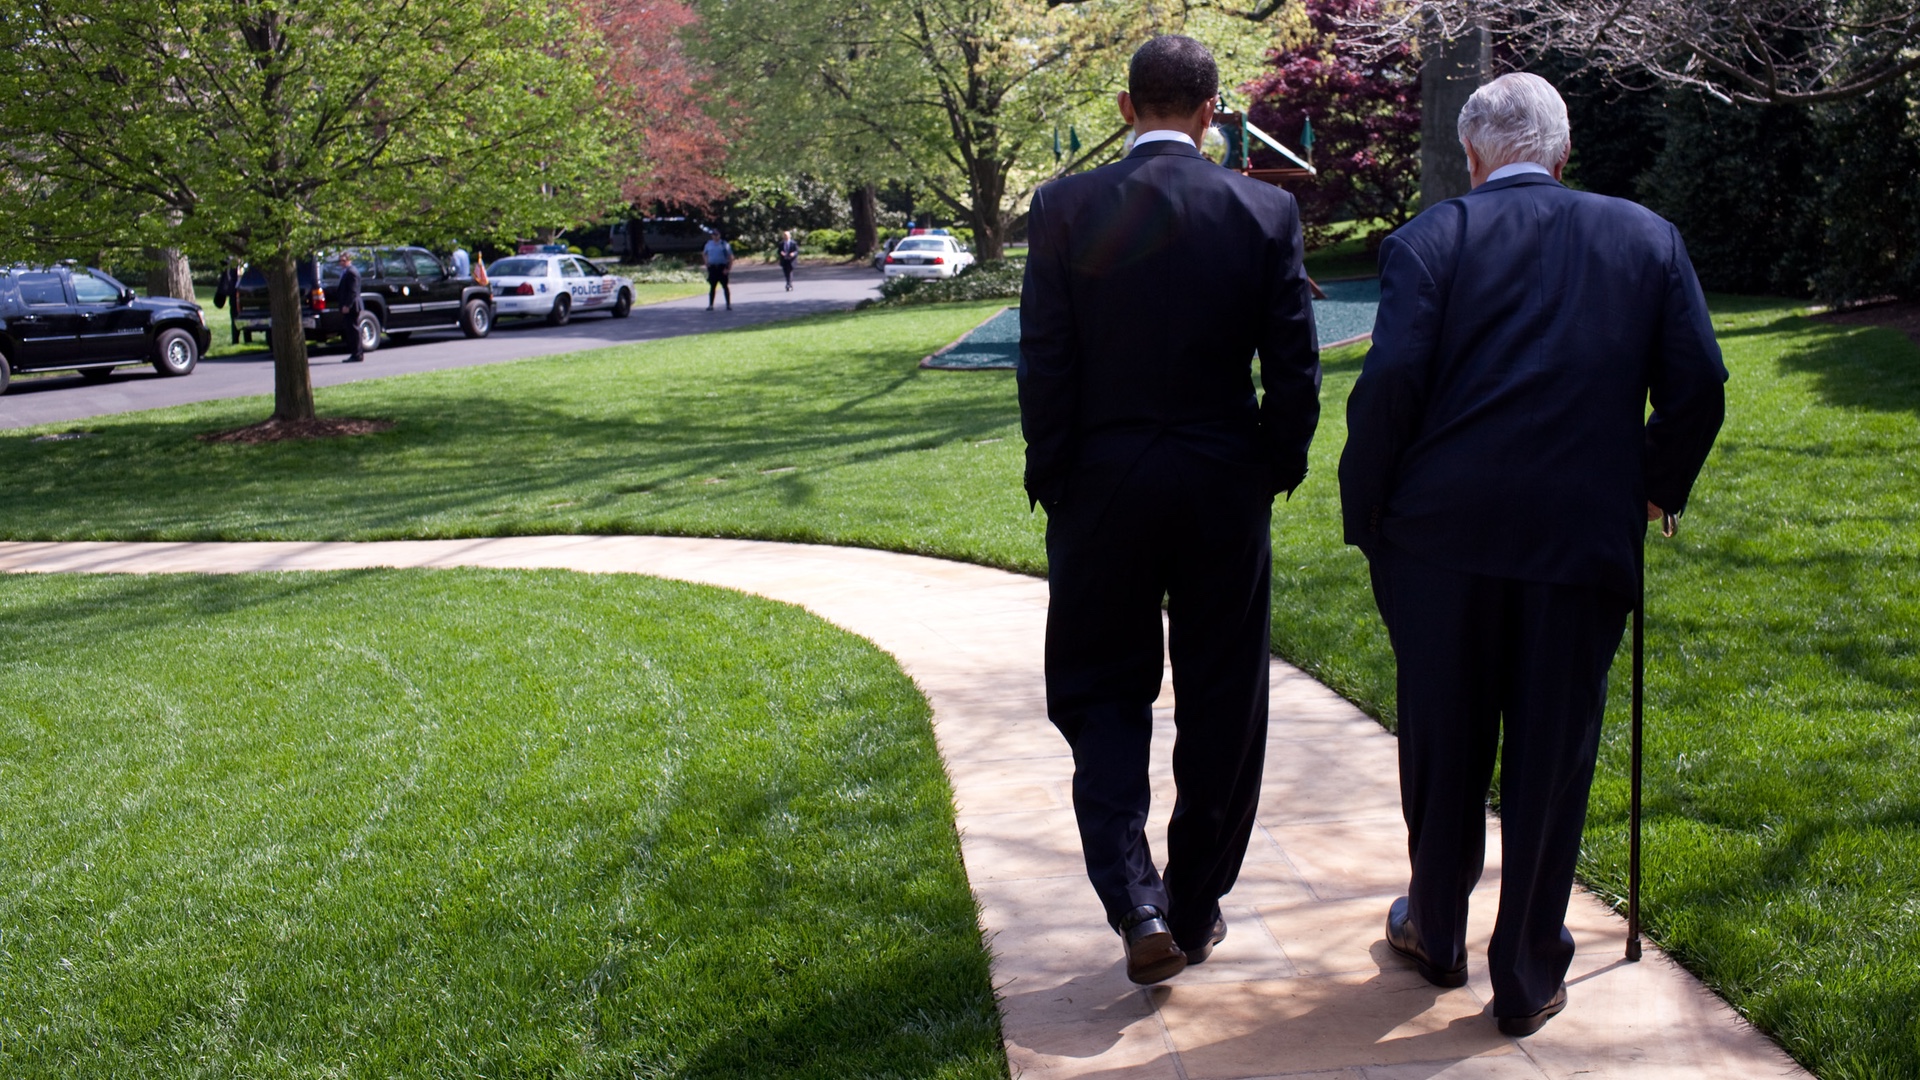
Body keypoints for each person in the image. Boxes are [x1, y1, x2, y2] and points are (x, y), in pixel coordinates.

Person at [1337, 72, 1727, 1037]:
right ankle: (1524, 971)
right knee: (1553, 753)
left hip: (1439, 542)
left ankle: (1435, 928)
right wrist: (1651, 484)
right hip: (1577, 537)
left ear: (1473, 158)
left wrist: (1367, 509)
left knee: (1443, 743)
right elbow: (1700, 386)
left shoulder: (1430, 239)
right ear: (1563, 152)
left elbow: (1388, 388)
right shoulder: (1647, 237)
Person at [1018, 34, 1321, 986]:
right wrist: (1271, 464)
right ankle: (1193, 903)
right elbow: (1296, 364)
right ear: (1210, 112)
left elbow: (1047, 356)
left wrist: (1053, 470)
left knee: (1103, 692)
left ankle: (1134, 895)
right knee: (1224, 695)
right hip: (1221, 484)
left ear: (1124, 108)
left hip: (1102, 486)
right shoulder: (1264, 207)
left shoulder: (1065, 205)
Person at [336, 251, 365, 363]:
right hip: (348, 305)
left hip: (352, 306)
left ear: (349, 260)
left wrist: (348, 305)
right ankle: (355, 353)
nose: (341, 263)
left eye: (343, 260)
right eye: (340, 261)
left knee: (354, 330)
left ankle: (357, 354)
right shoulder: (345, 272)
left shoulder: (352, 272)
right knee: (350, 330)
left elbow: (353, 291)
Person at [703, 229, 735, 311]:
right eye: (714, 235)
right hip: (713, 268)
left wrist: (728, 269)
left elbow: (730, 257)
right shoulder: (708, 244)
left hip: (722, 267)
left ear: (719, 235)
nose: (715, 236)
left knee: (725, 286)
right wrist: (707, 263)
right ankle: (710, 305)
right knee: (712, 287)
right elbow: (704, 254)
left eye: (717, 235)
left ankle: (728, 304)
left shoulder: (724, 244)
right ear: (712, 236)